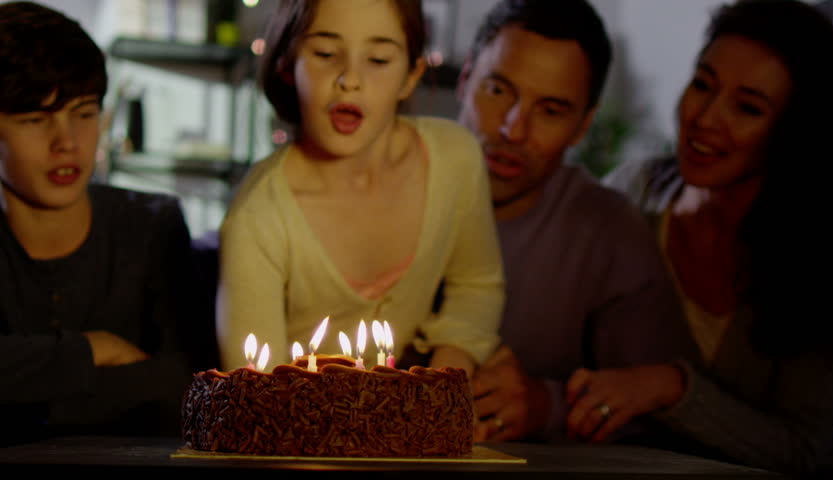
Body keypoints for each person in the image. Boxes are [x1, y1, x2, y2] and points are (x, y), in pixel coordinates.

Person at [600, 0, 833, 474]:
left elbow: (802, 449)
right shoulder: (630, 192)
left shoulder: (826, 256)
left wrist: (673, 387)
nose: (705, 117)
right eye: (702, 84)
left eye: (747, 108)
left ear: (794, 134)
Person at [216, 0, 504, 375]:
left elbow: (477, 285)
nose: (350, 79)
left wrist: (449, 372)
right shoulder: (258, 216)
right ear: (289, 64)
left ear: (411, 75)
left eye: (379, 59)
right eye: (325, 53)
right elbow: (257, 390)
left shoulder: (455, 160)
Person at [455, 0, 699, 444]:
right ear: (464, 78)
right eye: (498, 90)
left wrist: (545, 406)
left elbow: (666, 417)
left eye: (550, 110)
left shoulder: (608, 233)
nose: (513, 129)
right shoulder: (377, 184)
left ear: (583, 126)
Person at [0, 2, 202, 442]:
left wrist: (24, 395)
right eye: (35, 119)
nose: (66, 143)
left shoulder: (152, 226)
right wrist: (93, 350)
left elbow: (183, 390)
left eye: (84, 114)